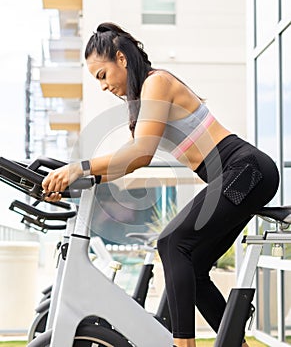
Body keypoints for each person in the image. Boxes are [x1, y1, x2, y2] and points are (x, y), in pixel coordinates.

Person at [42, 22, 279, 347]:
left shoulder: (157, 82)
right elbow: (127, 161)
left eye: (102, 75)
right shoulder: (143, 99)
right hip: (240, 175)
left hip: (246, 170)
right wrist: (79, 177)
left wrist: (79, 167)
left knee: (172, 243)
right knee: (193, 266)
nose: (103, 86)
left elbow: (139, 154)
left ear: (122, 59)